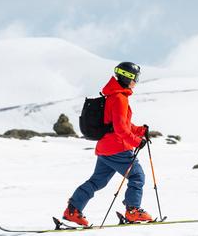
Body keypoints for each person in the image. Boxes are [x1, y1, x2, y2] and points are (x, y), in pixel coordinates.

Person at [63, 62, 152, 226]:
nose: (136, 81)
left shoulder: (114, 95)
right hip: (118, 148)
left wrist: (139, 130)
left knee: (97, 181)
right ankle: (133, 211)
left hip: (106, 148)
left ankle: (73, 210)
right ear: (127, 77)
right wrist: (137, 141)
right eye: (135, 78)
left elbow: (118, 124)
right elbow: (120, 129)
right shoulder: (120, 98)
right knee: (137, 175)